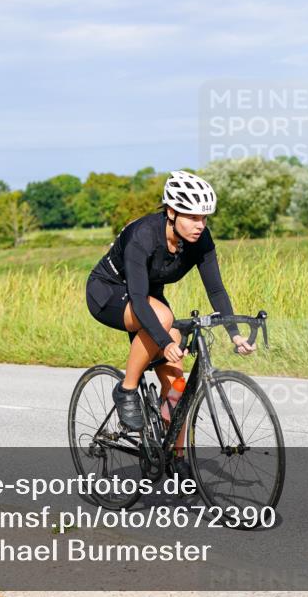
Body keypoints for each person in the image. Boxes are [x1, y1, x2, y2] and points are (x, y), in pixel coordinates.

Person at [85, 171, 256, 478]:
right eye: (192, 217)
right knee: (164, 322)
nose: (199, 225)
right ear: (172, 211)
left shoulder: (200, 239)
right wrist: (165, 342)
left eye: (204, 218)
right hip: (108, 293)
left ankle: (175, 458)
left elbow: (215, 290)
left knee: (176, 384)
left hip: (148, 299)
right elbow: (138, 299)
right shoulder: (144, 235)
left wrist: (234, 334)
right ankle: (126, 389)